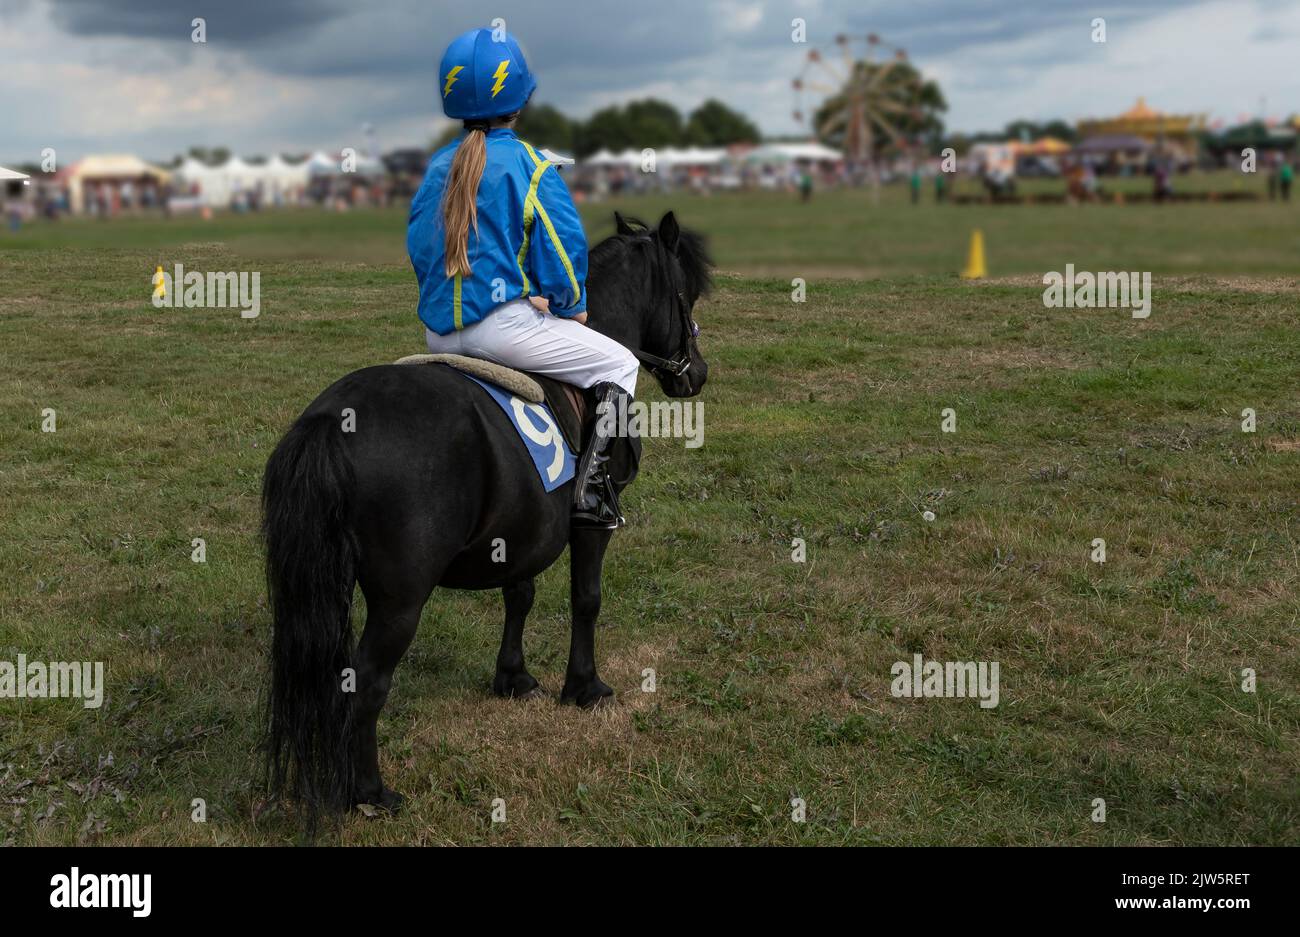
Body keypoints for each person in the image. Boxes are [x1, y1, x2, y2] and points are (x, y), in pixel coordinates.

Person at [408, 27, 640, 529]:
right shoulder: (533, 165)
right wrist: (568, 303)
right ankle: (590, 496)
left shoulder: (435, 168)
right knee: (620, 364)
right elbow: (562, 250)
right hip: (504, 332)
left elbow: (421, 249)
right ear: (519, 98)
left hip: (438, 334)